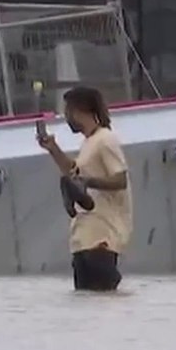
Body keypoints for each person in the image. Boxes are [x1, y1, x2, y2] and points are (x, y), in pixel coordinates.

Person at [36, 86, 133, 292]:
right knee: (86, 299)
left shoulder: (106, 139)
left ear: (80, 110)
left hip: (102, 235)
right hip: (83, 235)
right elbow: (75, 173)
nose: (67, 117)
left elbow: (120, 180)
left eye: (68, 112)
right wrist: (53, 149)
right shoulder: (90, 143)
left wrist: (88, 182)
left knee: (104, 295)